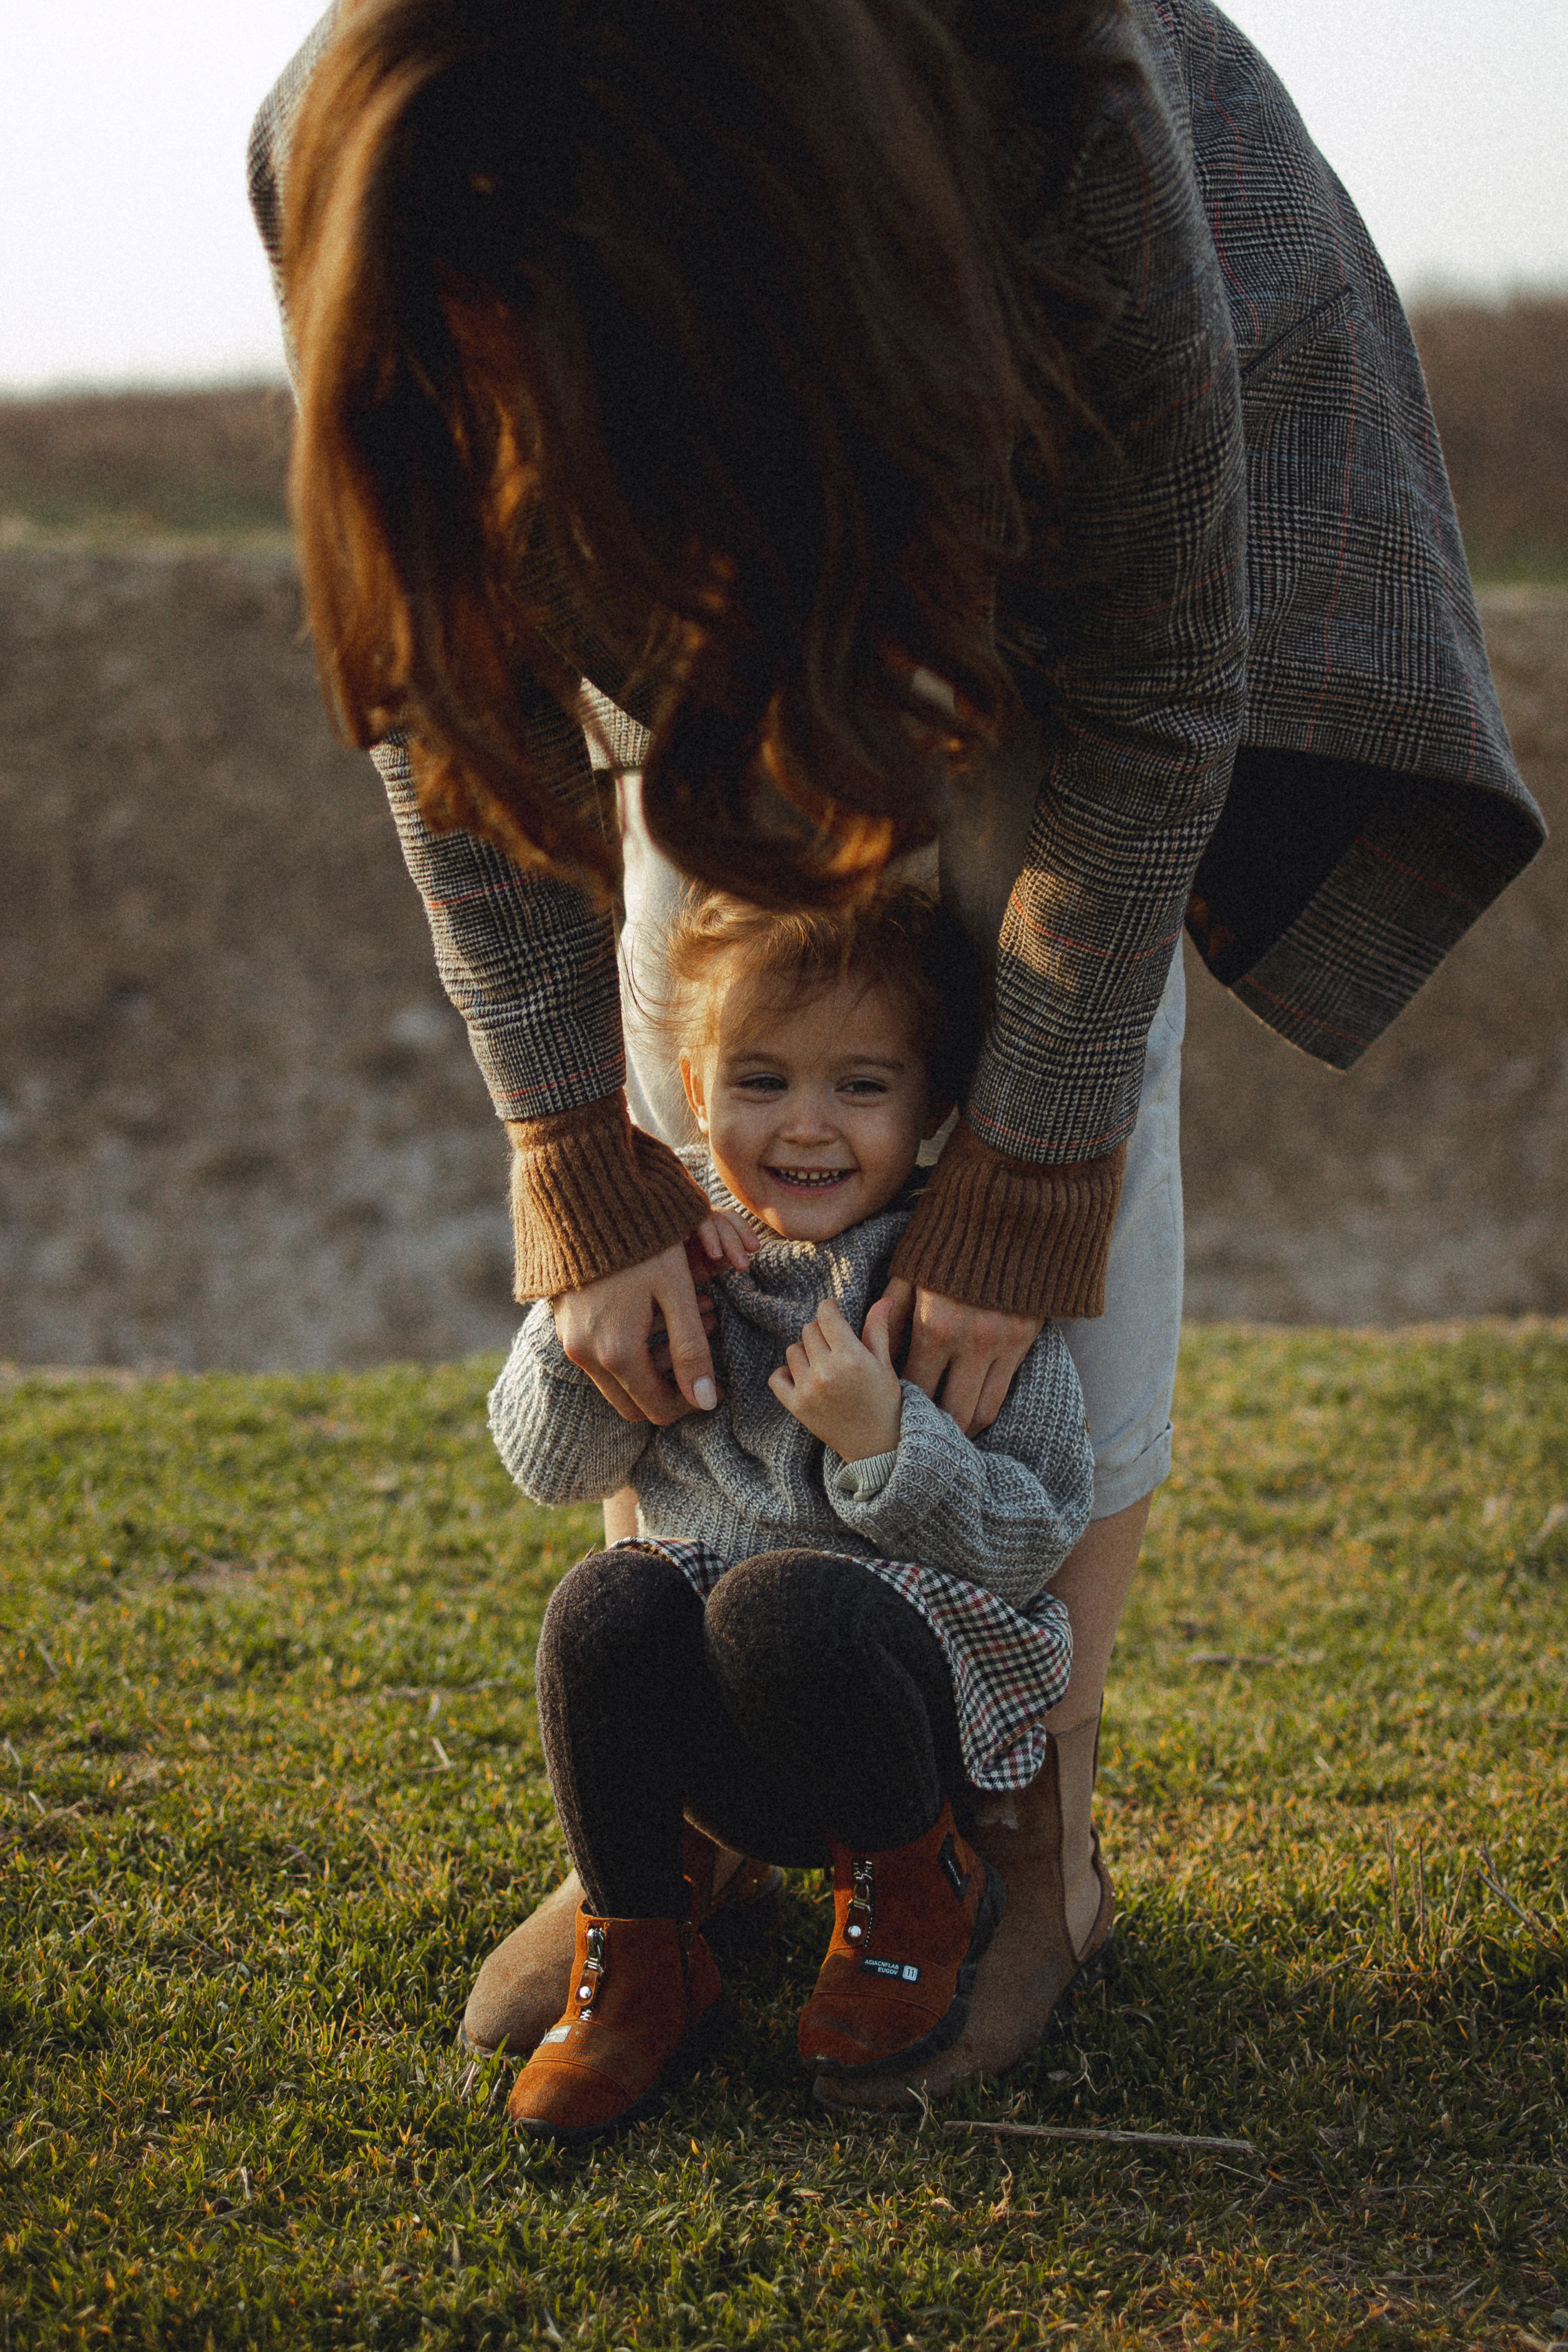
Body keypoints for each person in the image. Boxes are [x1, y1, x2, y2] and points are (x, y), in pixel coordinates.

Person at [249, 0, 1544, 2106]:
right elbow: (439, 692)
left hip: (1033, 420)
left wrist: (1021, 1179)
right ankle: (689, 1776)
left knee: (1048, 1037)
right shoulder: (351, 147)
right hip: (790, 356)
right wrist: (579, 1151)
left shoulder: (1048, 112)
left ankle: (1025, 1822)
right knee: (705, 978)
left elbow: (1148, 708)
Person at [487, 885, 1097, 2137]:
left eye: (861, 1087)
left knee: (779, 1605)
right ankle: (643, 1943)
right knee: (606, 1599)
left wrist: (890, 1440)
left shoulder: (948, 1284)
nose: (806, 1125)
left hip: (895, 1744)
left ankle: (914, 1903)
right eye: (760, 1081)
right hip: (717, 1762)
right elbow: (551, 1468)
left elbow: (1034, 1533)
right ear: (694, 1090)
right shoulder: (671, 1251)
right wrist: (590, 1330)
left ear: (935, 1109)